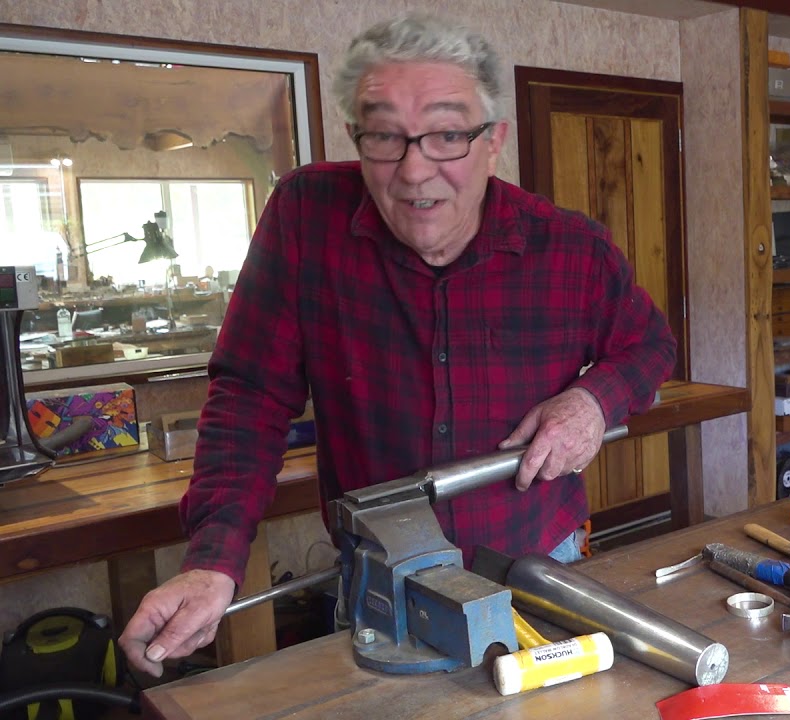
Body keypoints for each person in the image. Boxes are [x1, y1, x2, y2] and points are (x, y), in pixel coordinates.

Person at [119, 11, 675, 678]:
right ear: (358, 136)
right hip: (380, 581)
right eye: (385, 136)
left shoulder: (569, 246)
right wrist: (213, 561)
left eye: (446, 135)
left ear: (494, 141)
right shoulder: (305, 217)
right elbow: (250, 395)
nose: (414, 171)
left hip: (538, 567)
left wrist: (592, 401)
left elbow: (648, 346)